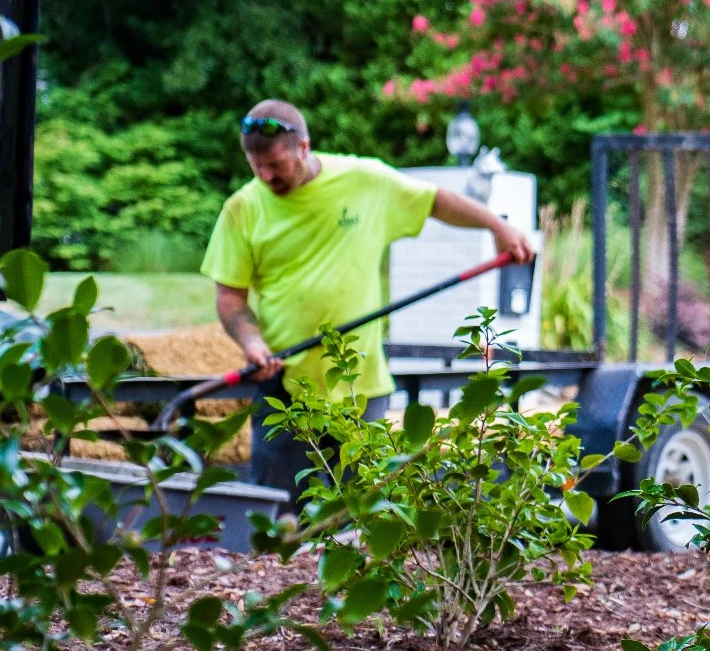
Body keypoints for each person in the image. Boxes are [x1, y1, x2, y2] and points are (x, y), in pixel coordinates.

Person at [200, 99, 533, 496]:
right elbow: (230, 298)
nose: (267, 176)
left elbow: (434, 201)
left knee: (366, 514)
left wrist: (496, 227)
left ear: (304, 148)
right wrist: (252, 343)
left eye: (276, 165)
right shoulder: (242, 208)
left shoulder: (363, 180)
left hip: (362, 387)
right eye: (257, 168)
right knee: (277, 523)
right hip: (285, 389)